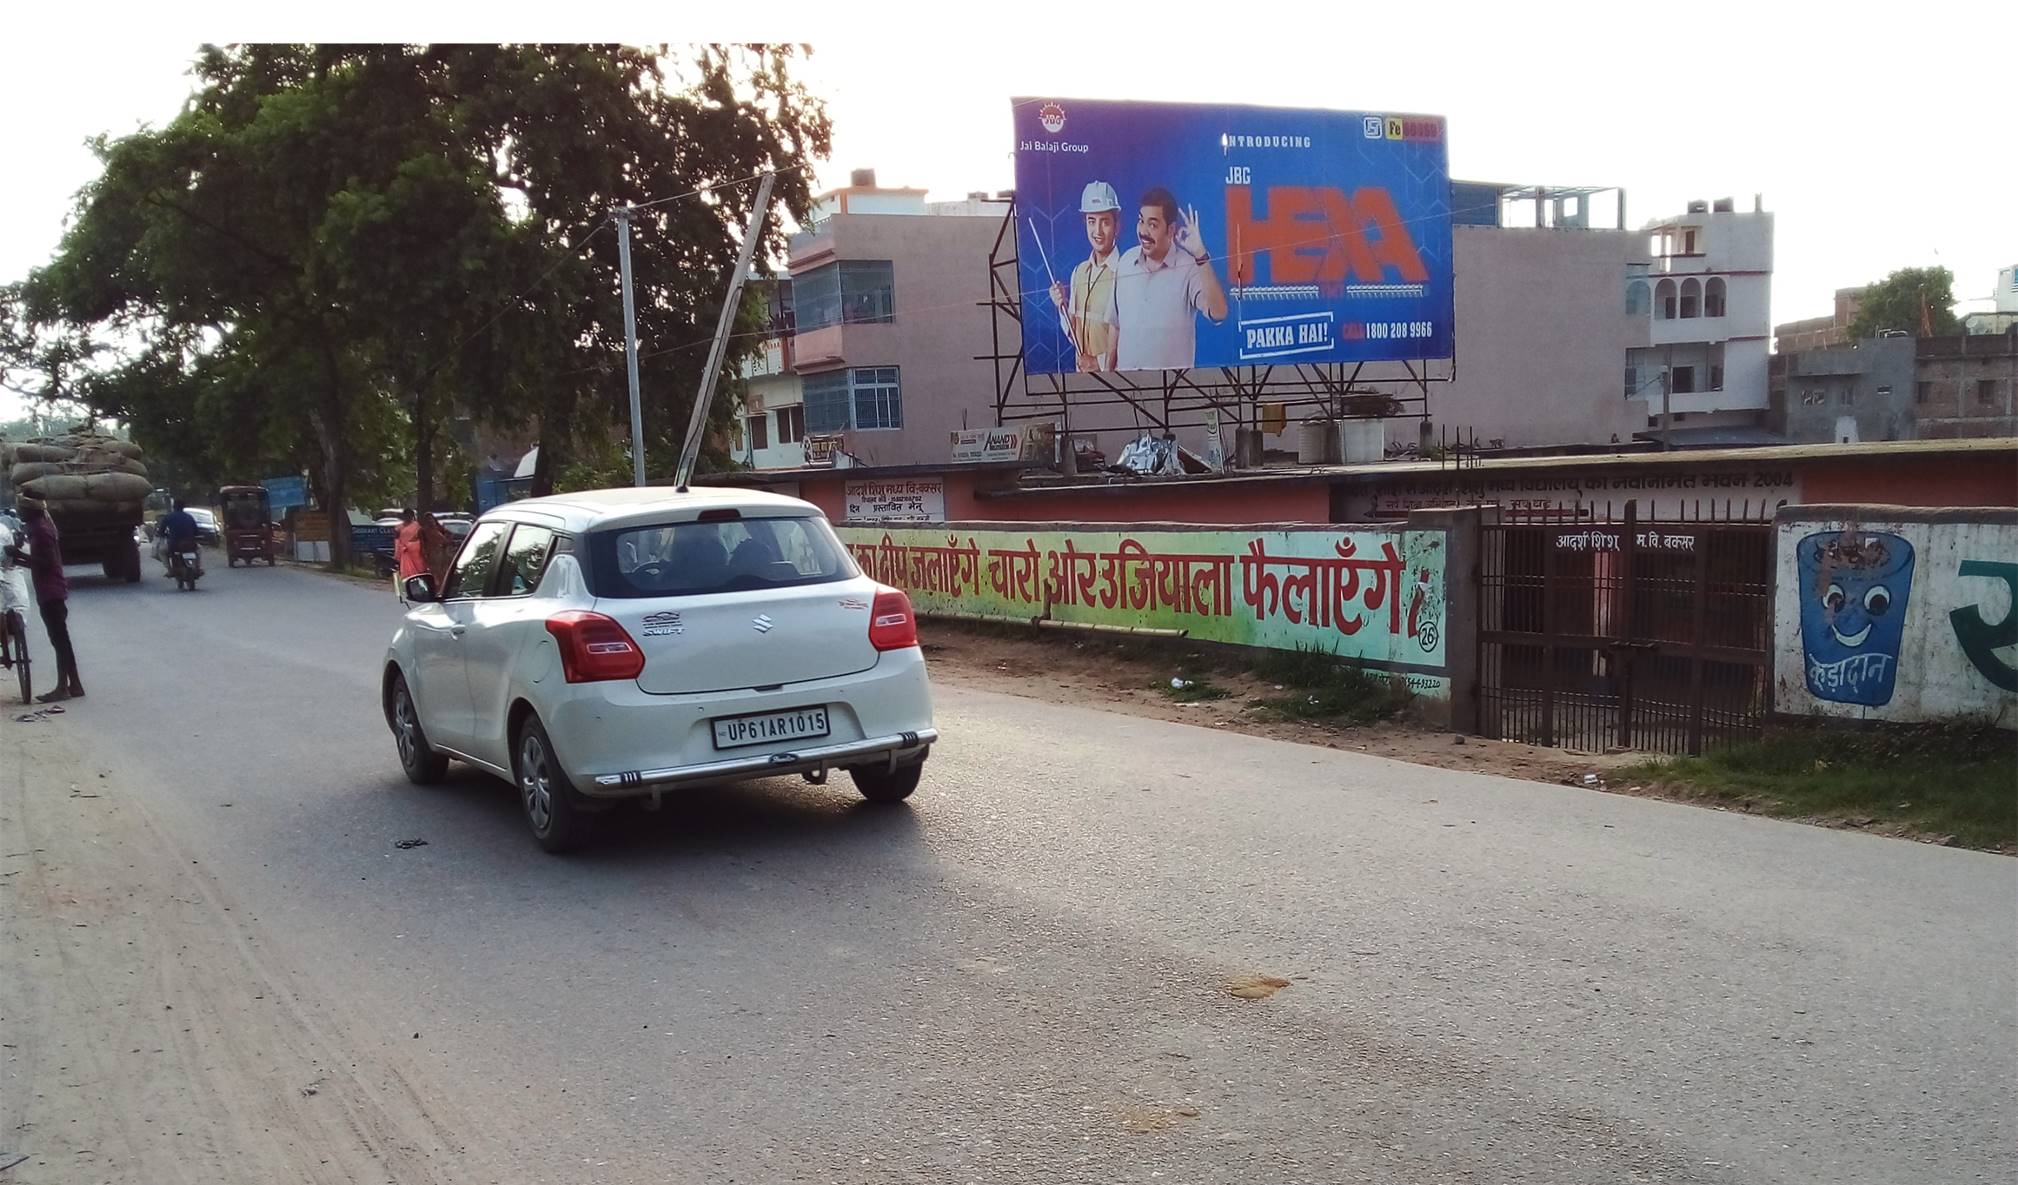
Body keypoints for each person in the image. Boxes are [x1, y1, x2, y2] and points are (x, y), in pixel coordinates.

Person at [1113, 187, 1229, 371]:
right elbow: (1115, 325)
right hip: (1126, 388)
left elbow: (1219, 312)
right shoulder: (1125, 261)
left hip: (1174, 391)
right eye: (1141, 221)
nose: (1143, 231)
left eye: (1152, 225)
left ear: (1171, 230)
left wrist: (1200, 253)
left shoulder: (1189, 267)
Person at [8, 498, 83, 702]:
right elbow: (41, 563)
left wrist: (19, 554)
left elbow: (48, 563)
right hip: (50, 589)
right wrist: (19, 559)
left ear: (31, 512)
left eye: (22, 510)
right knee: (61, 641)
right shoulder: (39, 528)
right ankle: (74, 684)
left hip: (51, 591)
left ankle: (63, 688)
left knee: (59, 641)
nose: (19, 513)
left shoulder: (41, 531)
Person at [1048, 181, 1122, 372]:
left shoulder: (1126, 272)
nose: (1097, 231)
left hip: (1118, 382)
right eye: (1091, 221)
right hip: (1082, 381)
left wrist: (1098, 363)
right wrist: (1062, 305)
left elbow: (1136, 340)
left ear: (1117, 226)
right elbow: (1074, 334)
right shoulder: (1078, 272)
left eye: (1105, 221)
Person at [0, 515, 30, 672]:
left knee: (19, 606)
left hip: (7, 570)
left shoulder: (3, 531)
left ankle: (11, 630)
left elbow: (9, 559)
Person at [156, 499, 200, 573]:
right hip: (190, 543)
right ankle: (199, 567)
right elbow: (196, 531)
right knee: (199, 550)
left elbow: (161, 530)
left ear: (173, 507)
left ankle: (169, 570)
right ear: (183, 507)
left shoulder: (168, 517)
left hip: (174, 544)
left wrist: (163, 535)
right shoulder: (189, 517)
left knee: (162, 551)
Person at [393, 508, 426, 592]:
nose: (408, 517)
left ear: (412, 516)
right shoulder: (398, 528)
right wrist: (397, 552)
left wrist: (421, 549)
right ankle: (406, 587)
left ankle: (419, 586)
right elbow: (397, 540)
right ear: (403, 516)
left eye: (410, 515)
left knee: (419, 569)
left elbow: (421, 539)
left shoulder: (417, 526)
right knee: (405, 570)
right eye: (406, 515)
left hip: (415, 551)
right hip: (404, 551)